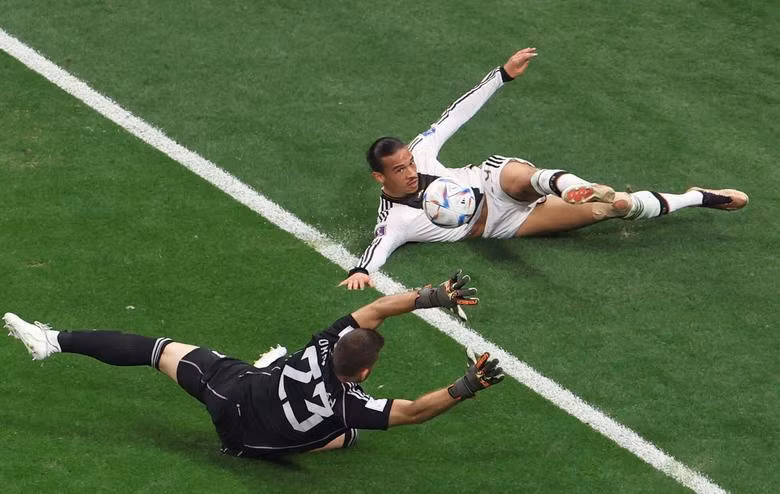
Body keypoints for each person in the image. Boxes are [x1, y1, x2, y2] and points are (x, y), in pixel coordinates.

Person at [340, 48, 748, 290]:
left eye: (410, 162)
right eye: (399, 169)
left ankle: (568, 184)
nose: (410, 170)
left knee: (523, 178)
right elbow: (379, 248)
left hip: (493, 182)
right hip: (502, 224)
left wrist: (501, 75)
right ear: (380, 177)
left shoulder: (421, 151)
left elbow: (456, 114)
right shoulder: (395, 220)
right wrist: (361, 271)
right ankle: (695, 197)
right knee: (615, 208)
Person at [3, 271, 502, 458]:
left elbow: (374, 309)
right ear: (365, 373)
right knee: (345, 436)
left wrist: (432, 296)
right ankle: (288, 404)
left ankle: (52, 341)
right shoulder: (350, 405)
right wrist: (466, 385)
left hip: (233, 390)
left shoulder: (323, 343)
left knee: (156, 350)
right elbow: (413, 412)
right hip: (246, 440)